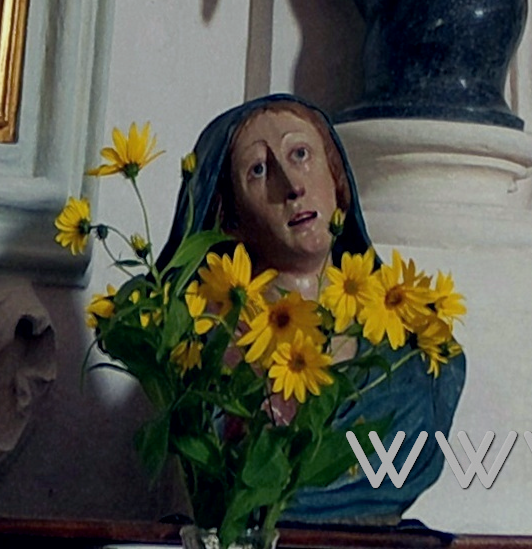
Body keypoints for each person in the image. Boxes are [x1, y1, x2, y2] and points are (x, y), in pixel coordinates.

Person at [164, 97, 464, 521]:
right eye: (259, 170)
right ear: (230, 218)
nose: (291, 185)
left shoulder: (419, 353)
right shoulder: (200, 348)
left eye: (300, 154)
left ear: (337, 178)